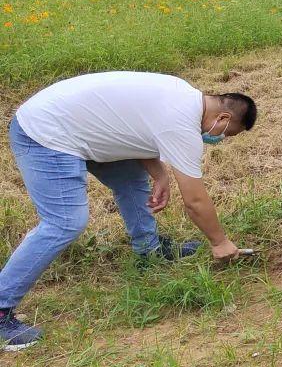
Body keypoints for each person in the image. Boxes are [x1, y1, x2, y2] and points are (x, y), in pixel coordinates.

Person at [0, 72, 257, 350]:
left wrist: (159, 174)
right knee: (65, 222)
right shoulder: (182, 123)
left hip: (74, 123)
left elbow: (130, 129)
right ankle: (2, 307)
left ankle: (149, 251)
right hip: (46, 134)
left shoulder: (182, 94)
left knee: (133, 181)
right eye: (226, 135)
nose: (220, 139)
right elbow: (195, 200)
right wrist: (220, 242)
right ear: (224, 119)